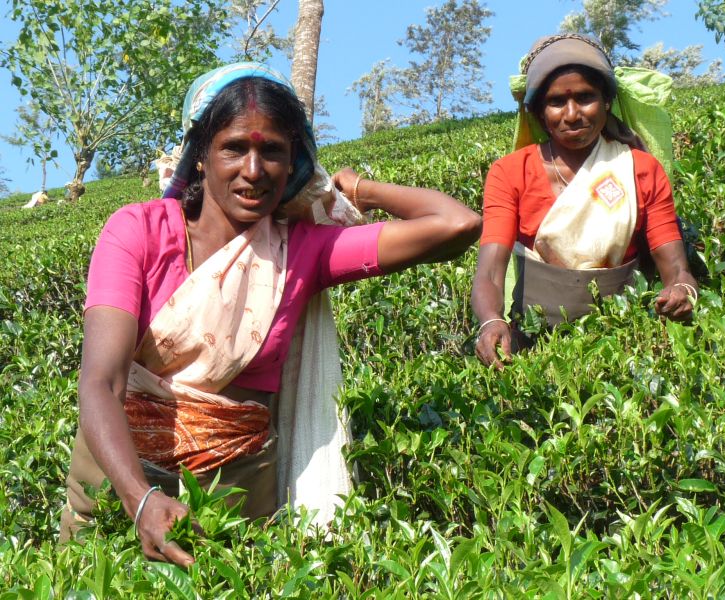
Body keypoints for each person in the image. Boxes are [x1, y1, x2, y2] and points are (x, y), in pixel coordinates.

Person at [60, 63, 481, 565]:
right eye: (235, 147)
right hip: (117, 486)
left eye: (273, 151)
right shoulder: (138, 232)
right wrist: (141, 499)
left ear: (293, 162)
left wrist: (357, 188)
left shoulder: (304, 251)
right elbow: (102, 382)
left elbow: (458, 224)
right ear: (199, 156)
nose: (254, 170)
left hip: (233, 497)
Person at [472, 34, 698, 368]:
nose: (573, 114)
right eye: (556, 102)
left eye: (585, 97)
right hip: (532, 342)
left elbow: (675, 265)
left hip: (624, 338)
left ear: (607, 100)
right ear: (536, 111)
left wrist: (681, 290)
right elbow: (490, 269)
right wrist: (491, 320)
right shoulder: (510, 173)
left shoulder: (640, 169)